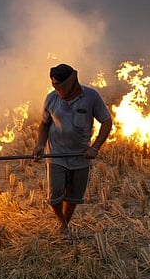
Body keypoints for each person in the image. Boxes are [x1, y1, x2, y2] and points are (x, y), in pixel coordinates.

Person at [34, 63, 112, 241]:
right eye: (54, 84)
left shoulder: (91, 97)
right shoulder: (51, 99)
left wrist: (95, 148)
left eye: (59, 84)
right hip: (56, 155)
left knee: (73, 197)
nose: (57, 88)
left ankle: (65, 225)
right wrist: (40, 144)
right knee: (55, 196)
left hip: (80, 156)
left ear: (72, 80)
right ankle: (62, 223)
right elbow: (44, 124)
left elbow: (106, 122)